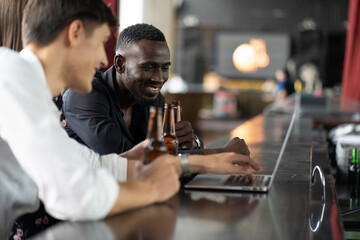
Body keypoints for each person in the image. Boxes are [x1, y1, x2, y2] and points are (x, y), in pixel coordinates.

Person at [0, 0, 259, 222]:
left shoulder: (24, 81)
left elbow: (93, 165)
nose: (103, 60)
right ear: (76, 33)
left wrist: (204, 161)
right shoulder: (12, 77)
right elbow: (75, 193)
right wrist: (153, 189)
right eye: (101, 42)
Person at [62, 23, 250, 156]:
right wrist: (219, 154)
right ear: (120, 64)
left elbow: (164, 156)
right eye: (149, 67)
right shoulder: (84, 94)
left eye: (165, 68)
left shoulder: (151, 99)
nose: (159, 78)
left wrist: (192, 143)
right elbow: (127, 161)